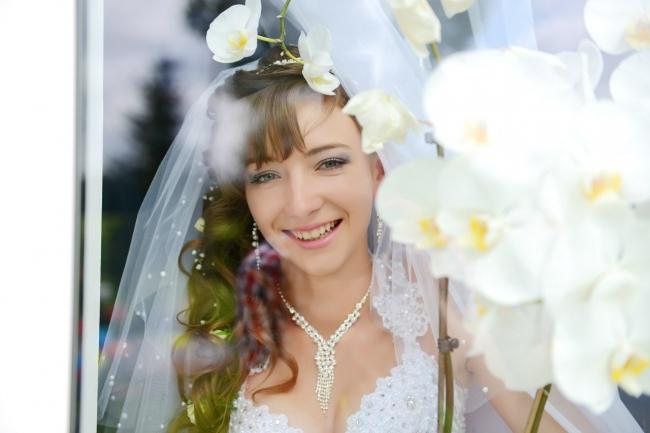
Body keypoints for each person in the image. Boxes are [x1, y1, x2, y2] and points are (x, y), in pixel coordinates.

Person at [97, 1, 644, 432]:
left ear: (380, 169)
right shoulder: (224, 335)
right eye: (266, 175)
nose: (300, 203)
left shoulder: (447, 321)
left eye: (329, 163)